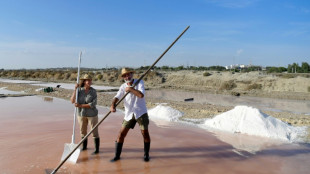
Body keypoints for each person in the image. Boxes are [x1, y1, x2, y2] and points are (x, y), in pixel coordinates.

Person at [110, 68, 151, 162]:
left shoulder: (139, 82)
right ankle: (117, 156)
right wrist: (113, 105)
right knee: (121, 134)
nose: (127, 77)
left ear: (132, 74)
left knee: (145, 133)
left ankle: (146, 154)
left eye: (128, 74)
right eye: (125, 75)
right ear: (123, 77)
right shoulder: (122, 86)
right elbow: (117, 96)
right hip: (129, 114)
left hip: (141, 112)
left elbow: (141, 95)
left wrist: (131, 89)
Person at [70, 74, 100, 154]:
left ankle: (97, 150)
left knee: (94, 132)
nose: (90, 82)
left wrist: (80, 105)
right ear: (84, 81)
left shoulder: (93, 91)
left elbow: (93, 104)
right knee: (83, 132)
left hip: (92, 114)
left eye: (90, 80)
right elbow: (72, 101)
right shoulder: (79, 90)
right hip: (81, 114)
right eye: (88, 80)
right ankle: (84, 148)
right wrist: (75, 89)